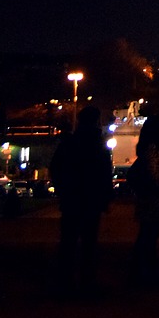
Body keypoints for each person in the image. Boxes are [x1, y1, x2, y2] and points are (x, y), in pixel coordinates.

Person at [49, 105, 113, 296]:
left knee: (68, 242)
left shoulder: (70, 142)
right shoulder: (97, 144)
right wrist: (105, 197)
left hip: (72, 199)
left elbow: (56, 168)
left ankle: (65, 282)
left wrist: (63, 189)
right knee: (89, 244)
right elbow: (104, 173)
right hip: (91, 200)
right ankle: (87, 282)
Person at [130, 113, 159, 286]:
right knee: (150, 234)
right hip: (152, 197)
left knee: (147, 233)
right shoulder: (153, 149)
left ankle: (141, 268)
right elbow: (154, 174)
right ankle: (145, 270)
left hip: (145, 197)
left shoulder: (145, 148)